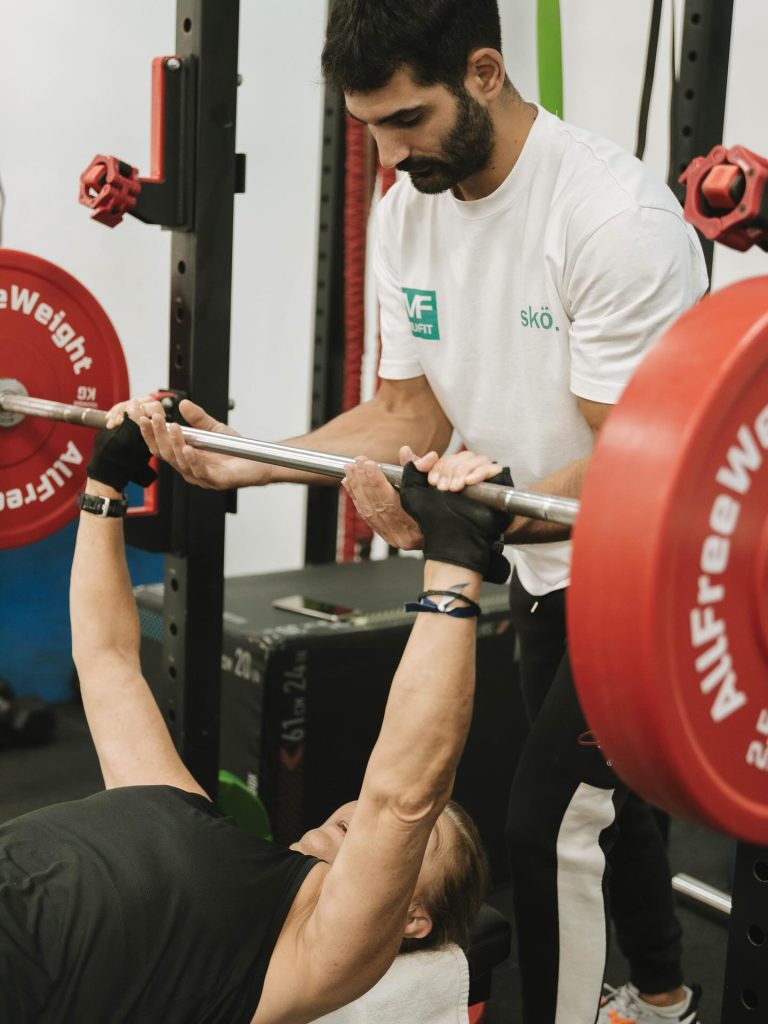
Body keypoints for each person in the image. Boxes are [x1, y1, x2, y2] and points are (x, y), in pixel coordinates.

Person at [131, 3, 710, 1022]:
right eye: (370, 129)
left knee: (550, 824)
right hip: (539, 566)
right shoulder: (408, 211)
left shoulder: (610, 219)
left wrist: (456, 532)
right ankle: (662, 998)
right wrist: (234, 466)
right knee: (606, 813)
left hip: (645, 572)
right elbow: (405, 410)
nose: (390, 156)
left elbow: (635, 472)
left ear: (484, 72)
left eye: (406, 120)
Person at [0, 416, 510, 1024]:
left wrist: (454, 565)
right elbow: (106, 660)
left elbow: (403, 799)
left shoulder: (307, 959)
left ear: (412, 918)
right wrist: (107, 484)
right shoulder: (183, 808)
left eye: (425, 844)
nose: (362, 819)